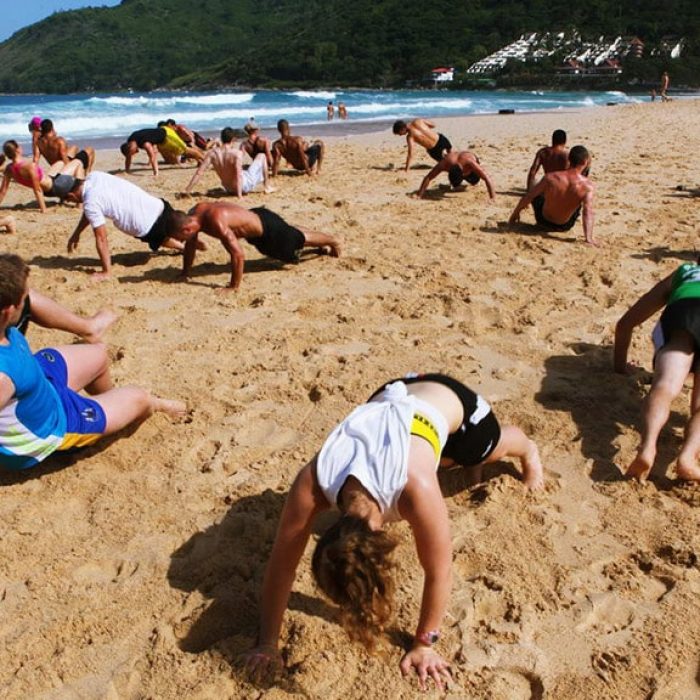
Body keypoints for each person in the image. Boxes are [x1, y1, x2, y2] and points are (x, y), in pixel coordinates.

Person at [242, 373, 544, 689]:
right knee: (446, 458)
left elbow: (439, 572)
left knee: (488, 449)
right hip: (389, 394)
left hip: (450, 398)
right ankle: (452, 457)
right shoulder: (312, 482)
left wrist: (425, 644)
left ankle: (526, 449)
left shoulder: (416, 488)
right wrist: (267, 643)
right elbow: (282, 566)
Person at [0, 254, 185, 471]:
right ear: (8, 312)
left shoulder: (6, 332)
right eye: (24, 299)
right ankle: (138, 408)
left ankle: (106, 409)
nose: (28, 301)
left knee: (98, 354)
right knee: (140, 397)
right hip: (51, 427)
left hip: (38, 385)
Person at [614, 261, 700, 482]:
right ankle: (688, 456)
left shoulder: (686, 271)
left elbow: (626, 323)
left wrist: (620, 366)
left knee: (664, 387)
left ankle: (648, 446)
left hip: (683, 313)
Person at [173, 201, 341, 291]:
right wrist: (185, 272)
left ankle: (332, 241)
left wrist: (233, 286)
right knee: (291, 233)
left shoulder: (214, 221)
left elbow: (238, 255)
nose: (180, 242)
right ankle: (306, 235)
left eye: (180, 237)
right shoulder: (196, 212)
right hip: (257, 220)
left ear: (186, 228)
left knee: (297, 242)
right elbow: (190, 245)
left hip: (267, 229)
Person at [65, 171, 191, 280]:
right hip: (158, 205)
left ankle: (183, 248)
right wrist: (77, 233)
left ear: (71, 196)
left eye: (70, 200)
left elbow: (102, 239)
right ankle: (190, 240)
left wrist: (106, 271)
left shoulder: (90, 202)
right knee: (175, 225)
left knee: (161, 238)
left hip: (147, 227)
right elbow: (89, 211)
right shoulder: (95, 176)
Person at [508, 145, 596, 246]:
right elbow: (587, 212)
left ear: (569, 159)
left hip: (543, 220)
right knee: (580, 200)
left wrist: (515, 214)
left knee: (537, 193)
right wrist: (588, 238)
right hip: (565, 225)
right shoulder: (588, 186)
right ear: (585, 162)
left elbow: (529, 196)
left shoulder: (550, 177)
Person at [182, 127, 274, 198]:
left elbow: (199, 173)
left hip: (228, 188)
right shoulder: (236, 153)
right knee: (261, 156)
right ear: (233, 139)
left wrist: (187, 190)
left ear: (222, 139)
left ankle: (187, 190)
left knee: (246, 172)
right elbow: (238, 175)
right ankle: (267, 187)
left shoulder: (212, 153)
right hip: (242, 186)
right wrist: (239, 195)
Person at [0, 140, 86, 214]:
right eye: (19, 146)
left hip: (49, 184)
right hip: (55, 187)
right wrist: (43, 209)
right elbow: (37, 189)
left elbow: (3, 191)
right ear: (17, 150)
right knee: (78, 162)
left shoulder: (9, 169)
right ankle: (80, 203)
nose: (21, 147)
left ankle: (66, 193)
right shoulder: (30, 166)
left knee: (60, 163)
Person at [120, 126, 203, 177]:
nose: (135, 153)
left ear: (131, 148)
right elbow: (128, 156)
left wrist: (155, 173)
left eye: (133, 153)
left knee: (184, 150)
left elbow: (152, 157)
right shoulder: (130, 140)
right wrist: (127, 170)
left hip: (167, 135)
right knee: (180, 152)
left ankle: (204, 158)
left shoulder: (145, 143)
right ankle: (199, 160)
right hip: (162, 135)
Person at [415, 151, 495, 200]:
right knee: (456, 186)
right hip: (457, 163)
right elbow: (428, 177)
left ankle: (465, 181)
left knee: (474, 181)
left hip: (469, 159)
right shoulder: (444, 164)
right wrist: (419, 194)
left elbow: (487, 178)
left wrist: (492, 198)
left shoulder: (470, 163)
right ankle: (455, 185)